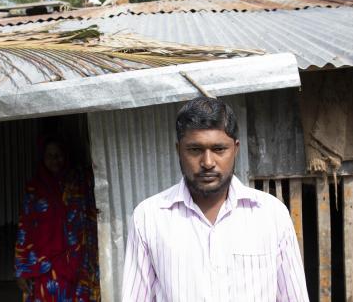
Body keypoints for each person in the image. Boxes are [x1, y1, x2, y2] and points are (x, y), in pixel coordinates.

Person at [122, 97, 309, 301]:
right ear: (178, 151)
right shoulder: (149, 218)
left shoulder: (271, 214)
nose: (208, 162)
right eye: (195, 150)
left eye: (219, 149)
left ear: (235, 149)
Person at [15, 137, 100, 302]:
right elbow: (24, 228)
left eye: (59, 155)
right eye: (50, 155)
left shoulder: (80, 182)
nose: (55, 160)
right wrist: (21, 269)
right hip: (46, 265)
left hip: (79, 262)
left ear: (66, 156)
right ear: (43, 158)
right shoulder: (35, 189)